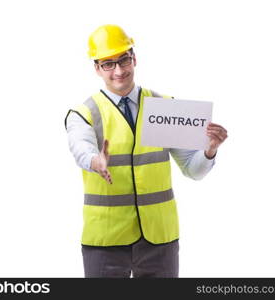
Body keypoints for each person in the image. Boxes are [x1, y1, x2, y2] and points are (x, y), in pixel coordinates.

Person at [65, 24, 228, 278]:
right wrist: (95, 161)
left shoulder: (165, 108)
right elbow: (80, 148)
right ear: (97, 68)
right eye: (108, 64)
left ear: (134, 58)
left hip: (159, 239)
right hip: (106, 241)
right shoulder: (85, 113)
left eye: (124, 60)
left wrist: (209, 151)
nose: (119, 70)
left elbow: (193, 171)